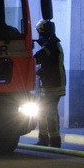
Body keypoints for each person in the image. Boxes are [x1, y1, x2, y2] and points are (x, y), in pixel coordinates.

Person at [34, 19, 66, 147]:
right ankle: (44, 139)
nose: (39, 37)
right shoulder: (51, 44)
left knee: (50, 112)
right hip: (49, 84)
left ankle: (54, 141)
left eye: (40, 33)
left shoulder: (51, 45)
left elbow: (39, 57)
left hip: (54, 85)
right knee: (41, 110)